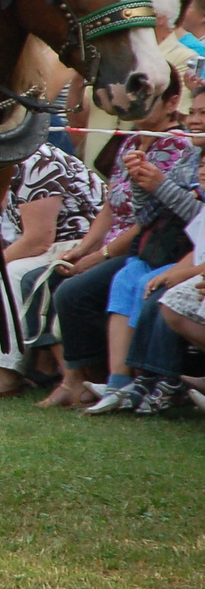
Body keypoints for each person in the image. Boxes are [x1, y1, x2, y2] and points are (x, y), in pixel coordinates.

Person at [48, 72, 197, 411]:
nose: (136, 108)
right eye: (133, 101)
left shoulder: (180, 146)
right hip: (133, 246)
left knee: (77, 291)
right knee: (61, 279)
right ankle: (99, 380)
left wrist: (98, 255)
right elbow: (114, 205)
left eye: (147, 100)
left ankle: (114, 378)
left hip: (156, 248)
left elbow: (163, 219)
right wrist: (83, 248)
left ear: (174, 103)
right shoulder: (131, 141)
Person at [0, 142, 104, 399]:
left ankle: (8, 373)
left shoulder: (38, 162)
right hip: (45, 245)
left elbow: (38, 239)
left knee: (9, 273)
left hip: (77, 244)